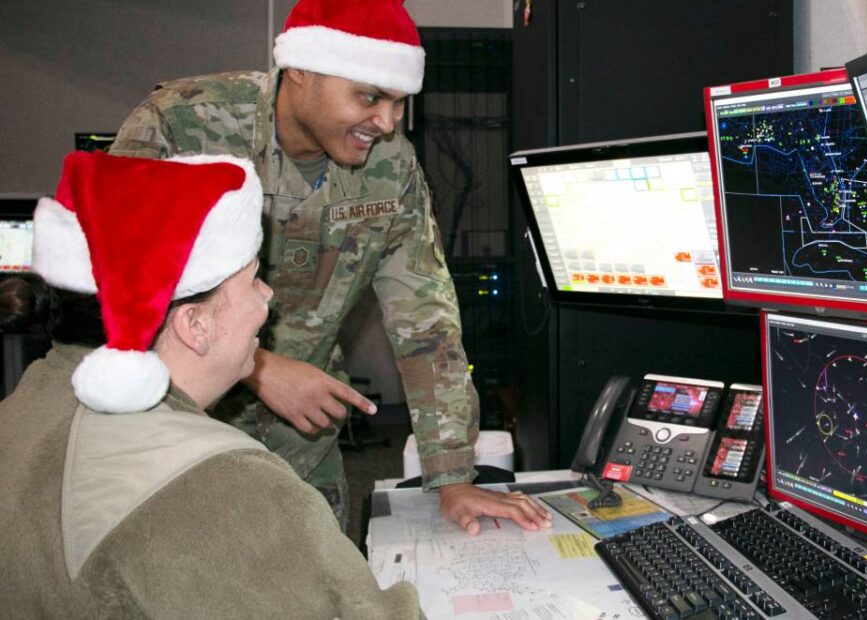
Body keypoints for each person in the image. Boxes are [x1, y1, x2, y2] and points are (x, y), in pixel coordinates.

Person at [109, 0, 552, 534]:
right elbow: (114, 289)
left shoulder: (391, 166)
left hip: (305, 442)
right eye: (370, 97)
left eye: (398, 102)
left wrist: (452, 475)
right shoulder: (184, 127)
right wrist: (258, 367)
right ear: (301, 69)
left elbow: (427, 323)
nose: (387, 123)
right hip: (179, 434)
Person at [0, 151, 422, 618]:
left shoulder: (23, 406)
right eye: (253, 278)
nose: (267, 296)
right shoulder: (227, 486)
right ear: (194, 324)